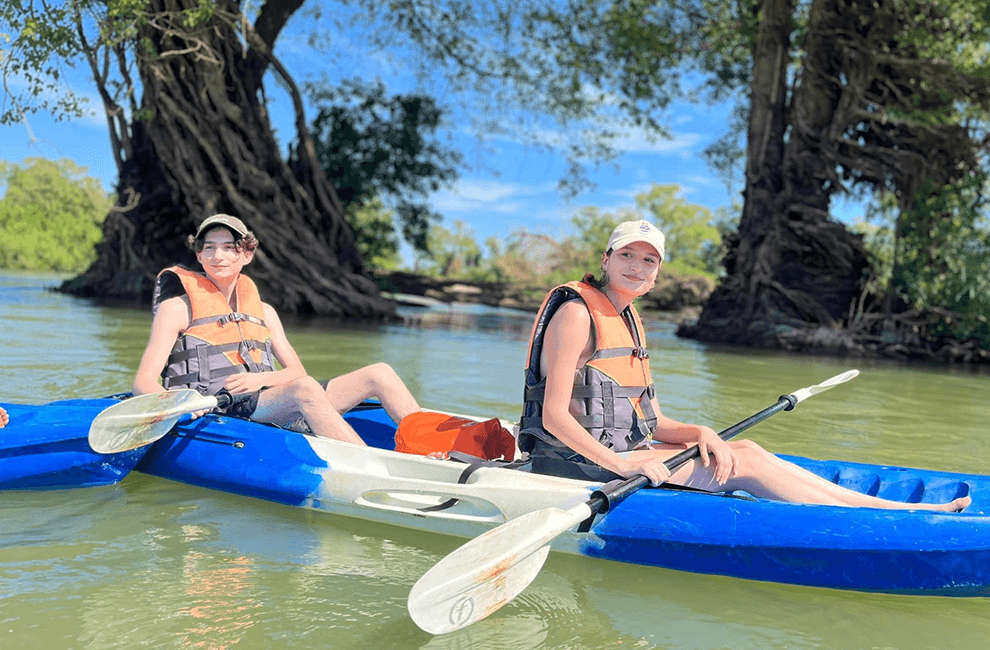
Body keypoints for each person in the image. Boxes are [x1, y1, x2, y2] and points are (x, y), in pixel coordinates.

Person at [518, 219, 970, 512]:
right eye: (627, 255)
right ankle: (902, 514)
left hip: (615, 455)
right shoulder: (577, 313)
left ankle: (878, 508)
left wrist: (698, 433)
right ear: (606, 260)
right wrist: (621, 465)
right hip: (577, 463)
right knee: (746, 468)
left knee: (746, 449)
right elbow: (556, 417)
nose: (637, 266)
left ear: (657, 274)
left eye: (648, 259)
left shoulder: (629, 318)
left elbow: (642, 420)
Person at [132, 214, 422, 444]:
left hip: (271, 398)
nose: (217, 255)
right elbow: (143, 382)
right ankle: (370, 466)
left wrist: (262, 380)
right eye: (209, 247)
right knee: (305, 389)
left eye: (228, 247)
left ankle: (432, 446)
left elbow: (297, 371)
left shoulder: (265, 312)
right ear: (198, 255)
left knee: (379, 373)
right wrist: (179, 402)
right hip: (223, 408)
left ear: (246, 254)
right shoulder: (177, 309)